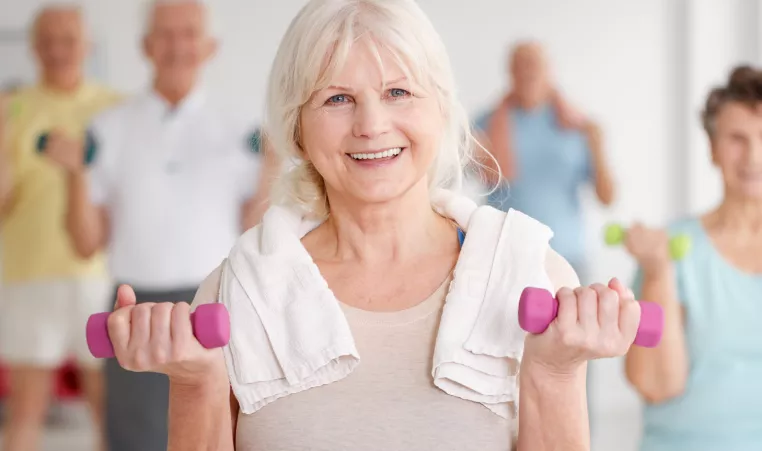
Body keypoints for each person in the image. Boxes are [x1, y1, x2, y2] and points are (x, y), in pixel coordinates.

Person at [102, 0, 642, 450]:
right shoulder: (236, 292)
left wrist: (555, 374)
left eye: (398, 92)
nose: (371, 125)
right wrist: (196, 385)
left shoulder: (532, 275)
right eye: (338, 99)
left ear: (441, 109)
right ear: (296, 127)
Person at [43, 1, 264, 450]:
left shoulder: (247, 131)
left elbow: (256, 234)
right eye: (165, 33)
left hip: (218, 306)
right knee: (132, 441)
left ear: (210, 46)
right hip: (133, 306)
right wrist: (73, 173)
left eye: (189, 32)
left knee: (220, 437)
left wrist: (275, 166)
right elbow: (86, 243)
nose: (177, 44)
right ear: (146, 45)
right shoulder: (106, 128)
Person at [0, 6, 121, 451]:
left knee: (108, 408)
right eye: (47, 41)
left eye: (68, 39)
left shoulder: (114, 108)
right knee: (26, 409)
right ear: (33, 49)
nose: (57, 50)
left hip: (99, 275)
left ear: (86, 46)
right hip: (30, 276)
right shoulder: (11, 109)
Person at [624, 65, 762, 451]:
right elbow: (655, 385)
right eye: (737, 138)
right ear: (713, 149)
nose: (753, 155)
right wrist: (657, 272)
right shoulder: (671, 248)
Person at [474, 41, 615, 282]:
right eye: (520, 64)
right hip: (506, 260)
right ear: (510, 72)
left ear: (549, 70)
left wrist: (598, 149)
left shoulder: (577, 126)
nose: (528, 71)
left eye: (534, 63)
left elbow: (607, 198)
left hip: (569, 257)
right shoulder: (486, 125)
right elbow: (459, 178)